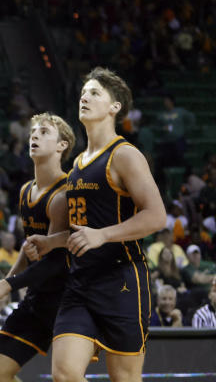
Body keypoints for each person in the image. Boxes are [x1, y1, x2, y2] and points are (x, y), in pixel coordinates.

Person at [23, 68, 166, 382]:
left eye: (95, 93)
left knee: (125, 379)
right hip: (80, 283)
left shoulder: (125, 154)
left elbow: (156, 216)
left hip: (122, 279)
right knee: (64, 374)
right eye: (83, 92)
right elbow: (84, 230)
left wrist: (103, 235)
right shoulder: (77, 163)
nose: (85, 97)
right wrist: (52, 242)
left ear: (114, 107)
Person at [0, 113, 75, 382]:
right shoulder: (25, 191)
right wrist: (7, 280)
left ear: (61, 145)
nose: (34, 136)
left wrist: (9, 286)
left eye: (44, 132)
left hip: (68, 300)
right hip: (38, 297)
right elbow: (29, 244)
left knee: (66, 377)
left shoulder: (63, 195)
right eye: (33, 132)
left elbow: (56, 261)